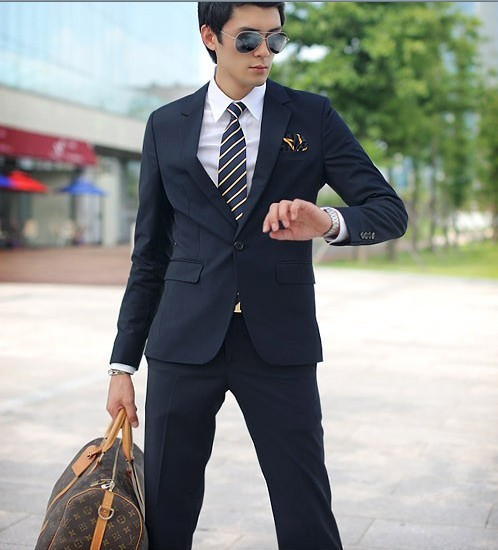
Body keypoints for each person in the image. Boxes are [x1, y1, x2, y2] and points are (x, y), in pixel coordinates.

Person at [106, 2, 408, 549]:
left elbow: (389, 210)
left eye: (276, 39)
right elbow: (149, 254)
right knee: (166, 514)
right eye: (248, 39)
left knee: (305, 511)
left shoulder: (312, 116)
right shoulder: (166, 125)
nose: (264, 52)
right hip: (182, 342)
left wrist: (327, 221)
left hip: (278, 341)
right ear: (210, 37)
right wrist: (122, 364)